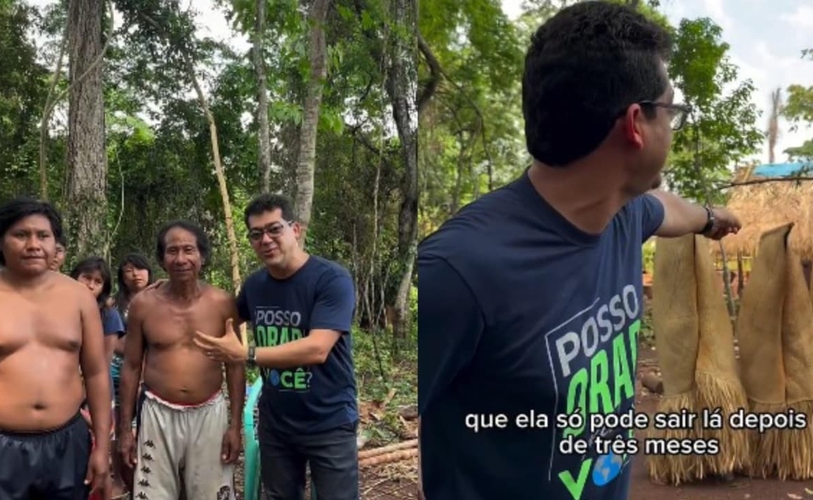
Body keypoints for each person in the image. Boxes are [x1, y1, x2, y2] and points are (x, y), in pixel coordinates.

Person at [417, 3, 742, 500]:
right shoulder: (461, 269)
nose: (672, 127)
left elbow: (668, 209)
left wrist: (711, 217)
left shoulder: (624, 213)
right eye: (670, 110)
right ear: (635, 123)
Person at [192, 193, 360, 500]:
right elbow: (218, 315)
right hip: (277, 424)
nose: (265, 240)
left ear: (295, 230)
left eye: (274, 229)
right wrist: (173, 291)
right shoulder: (256, 286)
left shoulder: (331, 279)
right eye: (256, 234)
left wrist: (248, 354)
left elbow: (317, 348)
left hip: (330, 422)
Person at [0, 197, 111, 500]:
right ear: (0, 243)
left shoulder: (79, 298)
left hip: (67, 442)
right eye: (21, 235)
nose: (33, 244)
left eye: (43, 236)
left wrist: (102, 446)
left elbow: (97, 374)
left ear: (55, 243)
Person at [117, 220, 244, 499]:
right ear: (162, 259)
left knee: (212, 494)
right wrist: (125, 430)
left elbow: (235, 364)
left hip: (210, 413)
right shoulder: (144, 305)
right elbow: (131, 366)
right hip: (157, 415)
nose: (181, 259)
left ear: (202, 256)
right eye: (172, 251)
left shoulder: (222, 303)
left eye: (189, 250)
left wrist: (235, 426)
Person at [110, 252, 154, 494]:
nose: (135, 274)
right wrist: (136, 342)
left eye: (139, 268)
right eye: (128, 270)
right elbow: (111, 343)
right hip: (117, 369)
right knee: (119, 426)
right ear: (121, 277)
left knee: (145, 425)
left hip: (150, 370)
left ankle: (144, 477)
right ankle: (118, 478)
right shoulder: (114, 304)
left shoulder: (160, 298)